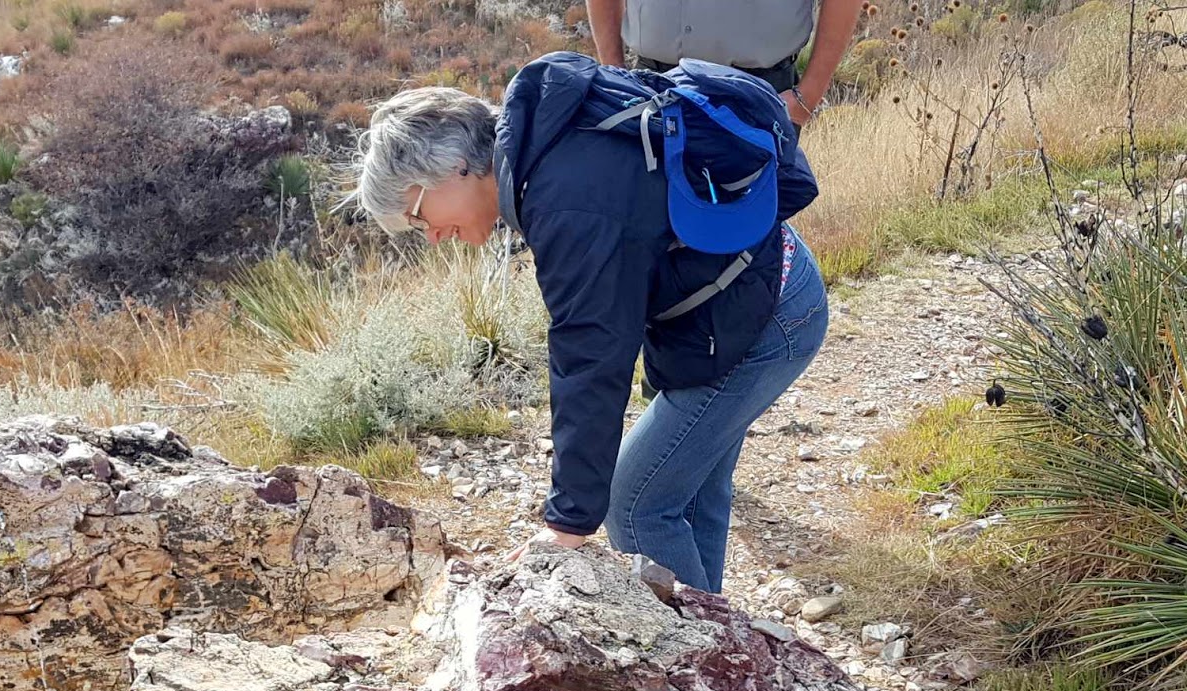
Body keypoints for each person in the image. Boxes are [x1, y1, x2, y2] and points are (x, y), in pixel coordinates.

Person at [353, 53, 829, 594]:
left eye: (418, 217)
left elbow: (592, 353)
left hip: (766, 318)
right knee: (690, 490)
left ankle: (703, 659)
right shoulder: (547, 134)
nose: (432, 236)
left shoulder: (564, 201)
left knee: (640, 501)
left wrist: (567, 523)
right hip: (748, 292)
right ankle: (725, 658)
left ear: (451, 169)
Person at [585, 0, 862, 126]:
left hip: (760, 94)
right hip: (651, 87)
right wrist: (614, 72)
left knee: (752, 235)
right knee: (643, 229)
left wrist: (808, 96)